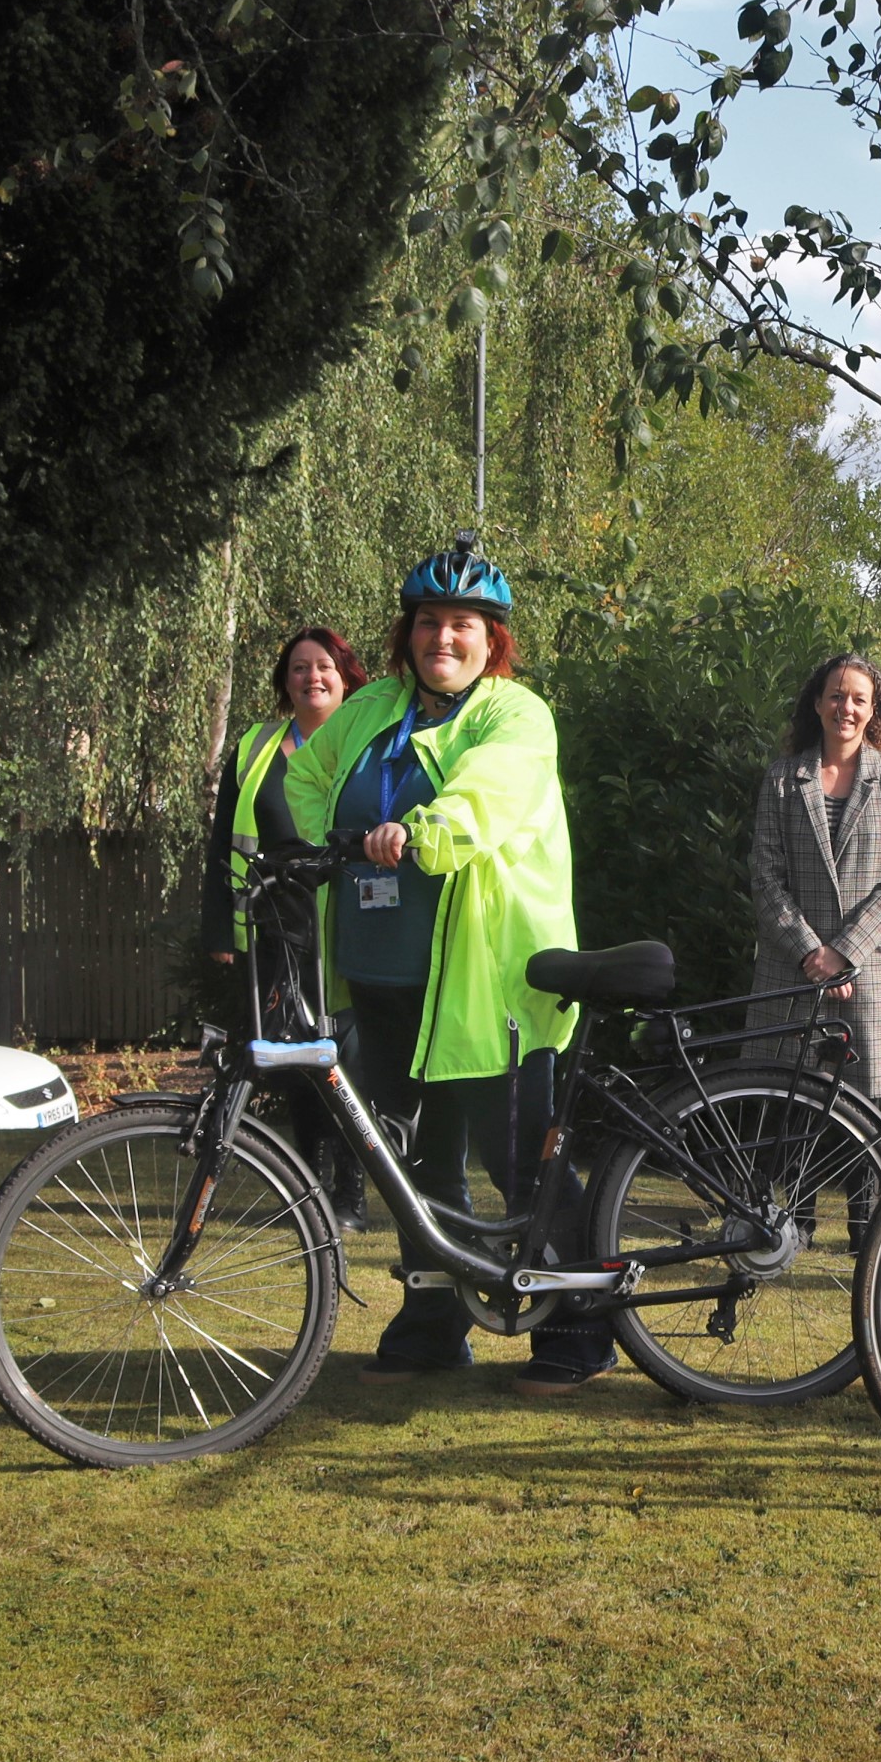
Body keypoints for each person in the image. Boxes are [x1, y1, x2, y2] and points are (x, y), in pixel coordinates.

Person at [283, 536, 606, 1393]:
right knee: (412, 1160)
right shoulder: (372, 707)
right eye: (430, 622)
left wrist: (419, 834)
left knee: (516, 1163)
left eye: (463, 624)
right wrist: (328, 842)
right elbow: (306, 776)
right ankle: (433, 1325)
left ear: (490, 638)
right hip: (380, 972)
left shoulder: (513, 712)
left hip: (481, 980)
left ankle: (578, 1332)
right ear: (408, 632)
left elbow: (489, 792)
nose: (444, 639)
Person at [204, 627, 366, 1222]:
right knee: (295, 1064)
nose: (312, 678)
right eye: (299, 668)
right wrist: (219, 932)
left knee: (347, 1061)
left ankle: (351, 1194)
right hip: (278, 934)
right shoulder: (253, 747)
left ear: (346, 677)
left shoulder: (367, 745)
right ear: (285, 683)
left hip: (350, 930)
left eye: (324, 666)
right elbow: (223, 842)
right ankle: (310, 1191)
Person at [749, 653, 881, 1103]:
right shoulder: (783, 779)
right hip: (792, 972)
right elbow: (765, 876)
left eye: (858, 700)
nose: (846, 708)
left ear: (872, 710)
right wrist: (813, 953)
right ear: (817, 703)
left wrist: (844, 953)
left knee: (866, 1133)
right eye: (836, 696)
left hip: (869, 973)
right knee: (781, 1120)